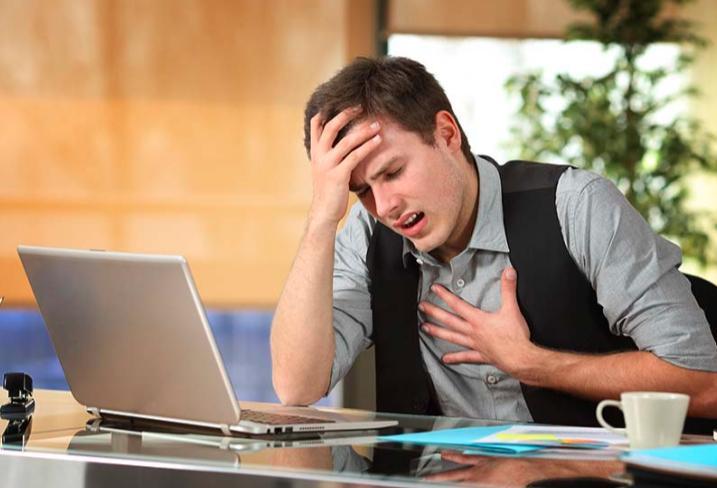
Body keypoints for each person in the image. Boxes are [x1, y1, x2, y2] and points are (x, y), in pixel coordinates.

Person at [270, 56, 717, 427]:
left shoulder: (576, 205)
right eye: (361, 190)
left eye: (393, 172)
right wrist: (322, 217)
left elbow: (703, 380)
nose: (384, 205)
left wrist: (534, 364)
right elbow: (296, 387)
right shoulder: (368, 234)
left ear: (446, 134)